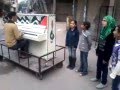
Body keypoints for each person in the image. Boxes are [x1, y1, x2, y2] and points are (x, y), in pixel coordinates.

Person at [91, 15, 116, 89]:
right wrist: (97, 50)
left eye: (105, 20)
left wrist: (106, 58)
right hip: (100, 52)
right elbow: (100, 41)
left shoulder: (111, 33)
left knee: (104, 67)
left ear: (109, 22)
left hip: (105, 54)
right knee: (98, 65)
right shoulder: (103, 29)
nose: (102, 21)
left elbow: (110, 47)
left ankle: (103, 82)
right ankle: (98, 77)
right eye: (102, 20)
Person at [110, 25, 120, 90]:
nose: (113, 32)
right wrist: (111, 65)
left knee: (114, 87)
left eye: (115, 30)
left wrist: (114, 74)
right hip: (116, 71)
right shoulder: (117, 43)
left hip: (118, 73)